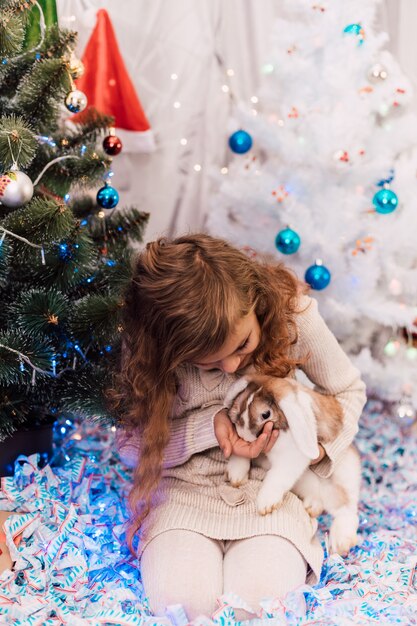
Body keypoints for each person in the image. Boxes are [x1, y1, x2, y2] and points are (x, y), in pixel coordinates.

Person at [110, 233, 366, 621]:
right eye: (207, 364)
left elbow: (349, 390)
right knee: (183, 606)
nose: (231, 368)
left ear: (255, 301)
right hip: (185, 495)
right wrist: (206, 429)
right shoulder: (149, 346)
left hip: (274, 494)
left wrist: (310, 452)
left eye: (242, 345)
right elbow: (129, 444)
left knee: (261, 606)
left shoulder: (293, 316)